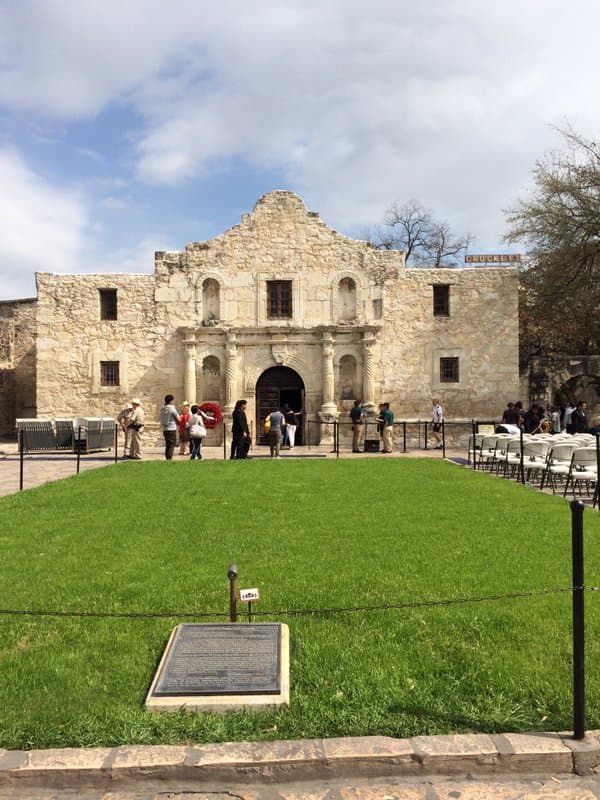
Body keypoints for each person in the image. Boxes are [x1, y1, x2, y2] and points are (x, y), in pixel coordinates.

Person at [159, 394, 180, 460]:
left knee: (167, 444)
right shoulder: (172, 409)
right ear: (171, 401)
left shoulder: (162, 408)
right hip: (172, 428)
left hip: (165, 429)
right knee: (171, 444)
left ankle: (167, 457)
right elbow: (178, 419)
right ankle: (169, 458)